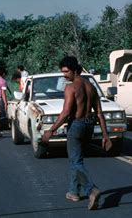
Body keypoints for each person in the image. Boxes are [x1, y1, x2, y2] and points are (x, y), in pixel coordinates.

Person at [41, 56, 111, 211]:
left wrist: (50, 131)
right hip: (89, 125)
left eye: (66, 72)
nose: (64, 75)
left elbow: (66, 113)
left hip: (77, 125)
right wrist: (105, 136)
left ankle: (91, 190)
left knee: (75, 161)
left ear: (74, 71)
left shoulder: (71, 88)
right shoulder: (91, 87)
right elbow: (99, 114)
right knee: (76, 159)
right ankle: (74, 192)